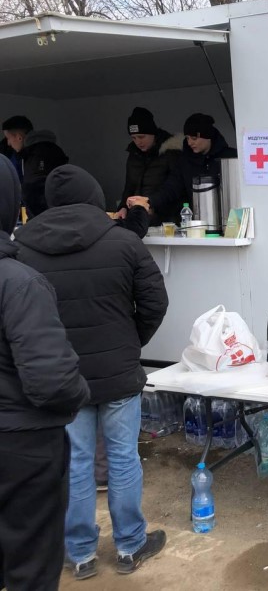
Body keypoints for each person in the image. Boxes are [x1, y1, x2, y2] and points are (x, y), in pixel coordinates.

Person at [14, 164, 169, 580]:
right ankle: (130, 545)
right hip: (118, 373)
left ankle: (80, 553)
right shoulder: (123, 243)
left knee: (76, 462)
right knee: (122, 458)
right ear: (94, 197)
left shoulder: (22, 250)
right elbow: (155, 302)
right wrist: (130, 342)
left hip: (63, 378)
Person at [0, 154, 90, 591]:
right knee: (30, 567)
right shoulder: (17, 282)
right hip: (22, 446)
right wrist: (78, 392)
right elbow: (52, 381)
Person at [150, 112, 237, 225]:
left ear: (208, 136)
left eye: (194, 138)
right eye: (187, 138)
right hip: (197, 225)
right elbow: (170, 188)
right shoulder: (184, 161)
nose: (190, 142)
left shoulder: (231, 157)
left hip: (231, 224)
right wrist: (150, 201)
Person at [116, 107, 183, 225]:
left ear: (153, 133)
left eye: (141, 137)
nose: (138, 142)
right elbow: (129, 187)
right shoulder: (133, 155)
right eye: (134, 138)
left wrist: (150, 203)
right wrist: (123, 207)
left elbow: (174, 189)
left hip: (167, 221)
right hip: (139, 218)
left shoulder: (171, 153)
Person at [19, 129, 69, 219]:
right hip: (60, 211)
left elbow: (33, 187)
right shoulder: (56, 150)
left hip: (40, 218)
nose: (8, 143)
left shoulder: (33, 154)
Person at [1, 115, 33, 181]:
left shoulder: (37, 157)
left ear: (19, 138)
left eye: (8, 138)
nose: (8, 143)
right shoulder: (7, 151)